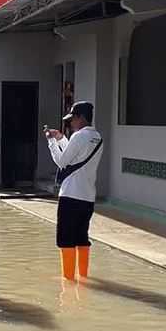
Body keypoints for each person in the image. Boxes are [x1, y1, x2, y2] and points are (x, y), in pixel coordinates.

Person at [44, 101, 103, 281]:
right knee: (81, 238)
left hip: (70, 196)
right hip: (88, 197)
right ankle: (83, 278)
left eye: (72, 119)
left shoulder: (78, 136)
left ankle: (68, 281)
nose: (70, 123)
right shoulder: (97, 137)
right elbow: (76, 155)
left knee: (66, 240)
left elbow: (63, 162)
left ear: (80, 118)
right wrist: (61, 138)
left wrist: (51, 142)